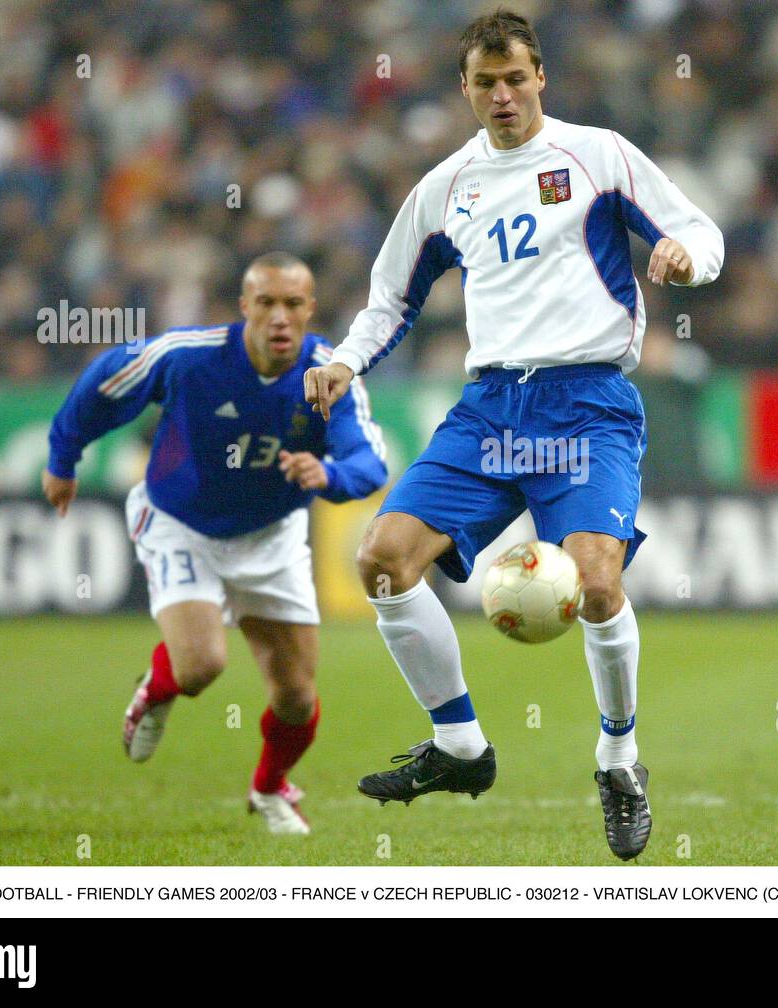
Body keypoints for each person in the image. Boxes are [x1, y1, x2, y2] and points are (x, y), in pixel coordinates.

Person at [303, 9, 723, 860]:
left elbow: (701, 229)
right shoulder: (443, 189)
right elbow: (392, 297)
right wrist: (348, 362)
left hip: (589, 402)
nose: (502, 96)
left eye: (516, 79)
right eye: (485, 83)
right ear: (464, 90)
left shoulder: (596, 155)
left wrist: (684, 254)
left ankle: (618, 760)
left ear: (541, 79)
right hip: (491, 409)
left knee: (597, 584)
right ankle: (460, 746)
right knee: (384, 559)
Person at [43, 252, 388, 835]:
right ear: (244, 308)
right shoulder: (188, 355)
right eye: (267, 303)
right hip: (181, 520)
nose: (280, 317)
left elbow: (369, 460)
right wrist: (62, 457)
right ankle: (156, 690)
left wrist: (330, 476)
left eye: (293, 305)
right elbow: (102, 383)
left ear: (310, 310)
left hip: (272, 536)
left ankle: (269, 787)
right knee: (201, 665)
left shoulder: (330, 373)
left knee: (297, 698)